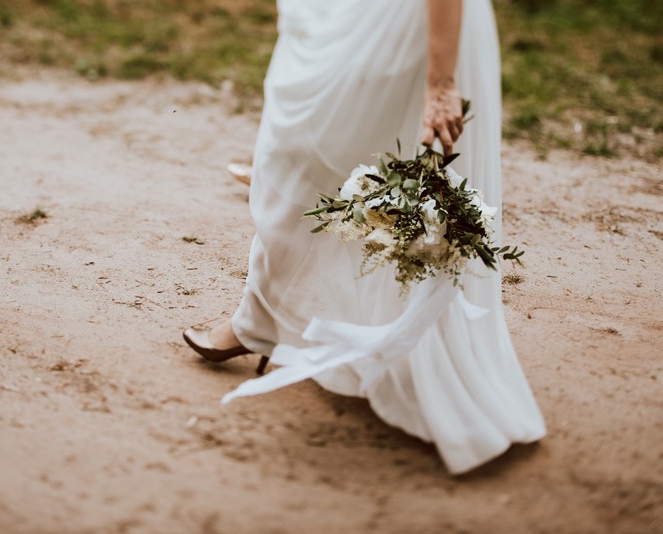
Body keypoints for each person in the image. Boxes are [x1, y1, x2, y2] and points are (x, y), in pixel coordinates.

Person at [184, 0, 546, 475]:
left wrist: (439, 82)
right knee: (324, 157)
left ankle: (265, 322)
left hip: (413, 21)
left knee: (315, 155)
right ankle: (264, 318)